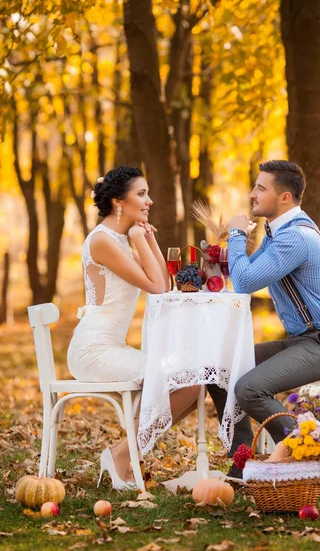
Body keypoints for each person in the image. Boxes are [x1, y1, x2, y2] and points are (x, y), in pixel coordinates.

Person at [208, 159, 320, 478]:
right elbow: (244, 274)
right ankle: (242, 460)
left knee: (249, 388)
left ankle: (304, 454)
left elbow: (244, 282)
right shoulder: (278, 233)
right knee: (218, 370)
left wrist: (236, 233)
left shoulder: (295, 237)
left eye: (261, 188)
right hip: (304, 341)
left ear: (284, 198)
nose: (252, 194)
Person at [67, 166, 200, 490]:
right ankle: (122, 457)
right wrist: (140, 237)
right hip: (93, 351)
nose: (150, 200)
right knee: (187, 381)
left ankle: (121, 454)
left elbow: (164, 283)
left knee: (195, 383)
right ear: (118, 202)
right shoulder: (102, 241)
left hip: (112, 347)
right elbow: (156, 287)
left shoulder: (120, 240)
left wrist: (148, 239)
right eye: (141, 194)